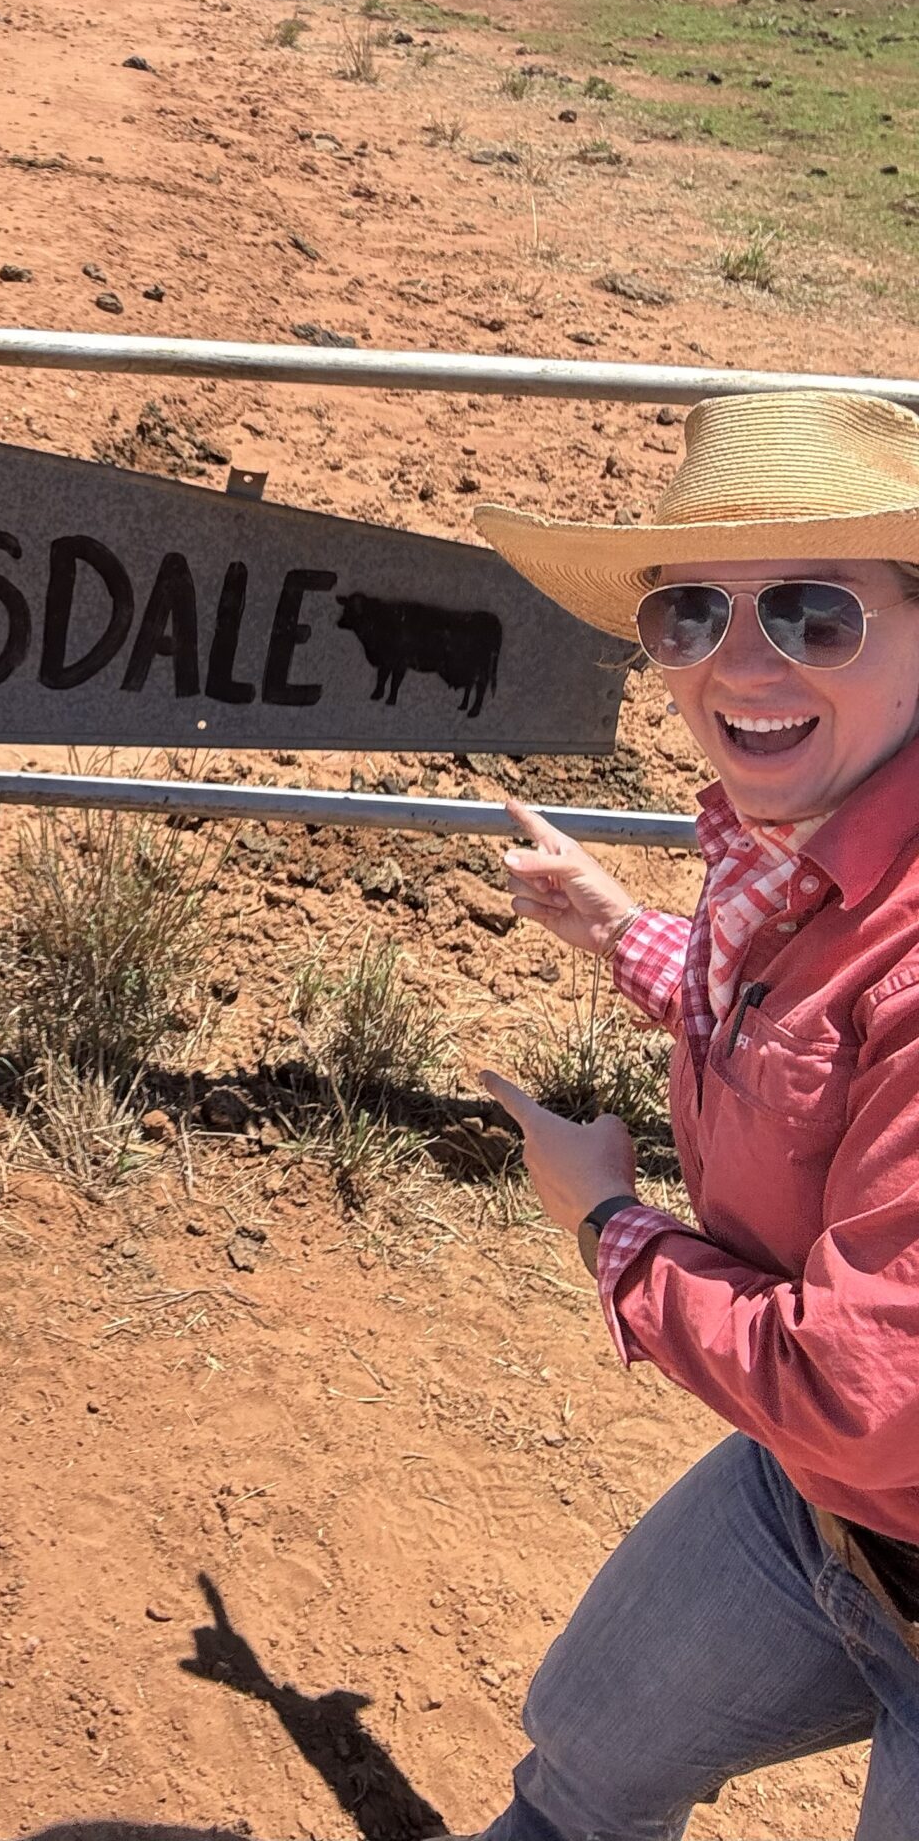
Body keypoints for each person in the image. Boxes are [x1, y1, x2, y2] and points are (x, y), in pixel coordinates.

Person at [459, 389, 919, 1840]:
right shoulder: (803, 843)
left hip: (850, 1457)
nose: (737, 663)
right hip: (835, 1509)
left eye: (811, 614)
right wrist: (620, 934)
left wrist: (608, 1224)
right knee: (580, 1769)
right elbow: (803, 1051)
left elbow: (859, 1387)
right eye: (686, 615)